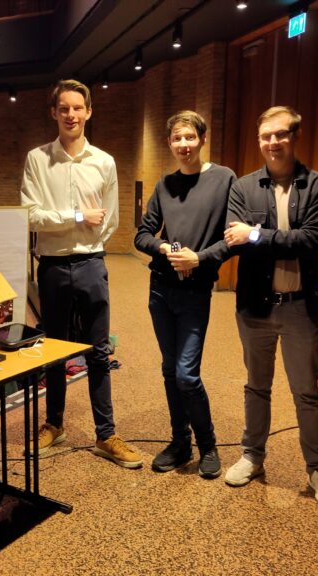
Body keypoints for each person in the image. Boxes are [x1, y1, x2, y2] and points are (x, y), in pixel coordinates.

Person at [20, 79, 142, 468]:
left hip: (91, 264)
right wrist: (76, 219)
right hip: (53, 266)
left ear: (89, 111)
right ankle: (53, 424)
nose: (71, 115)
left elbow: (111, 220)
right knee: (54, 349)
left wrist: (87, 236)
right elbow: (31, 215)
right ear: (54, 113)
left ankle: (106, 434)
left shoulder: (104, 162)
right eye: (64, 108)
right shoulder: (38, 159)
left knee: (99, 350)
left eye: (78, 108)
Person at [222, 105, 318, 507]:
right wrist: (257, 237)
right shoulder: (242, 187)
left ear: (295, 136)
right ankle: (252, 456)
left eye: (281, 135)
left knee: (306, 390)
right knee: (257, 385)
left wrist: (254, 235)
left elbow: (310, 240)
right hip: (254, 306)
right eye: (266, 136)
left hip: (300, 306)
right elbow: (233, 238)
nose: (273, 142)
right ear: (259, 141)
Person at [134, 111, 235, 479]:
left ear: (203, 138)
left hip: (195, 290)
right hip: (161, 289)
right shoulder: (164, 184)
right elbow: (143, 235)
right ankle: (180, 442)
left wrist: (200, 258)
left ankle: (207, 445)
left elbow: (232, 236)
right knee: (168, 370)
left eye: (190, 137)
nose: (184, 145)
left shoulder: (224, 179)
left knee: (186, 374)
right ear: (170, 143)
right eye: (177, 138)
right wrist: (166, 249)